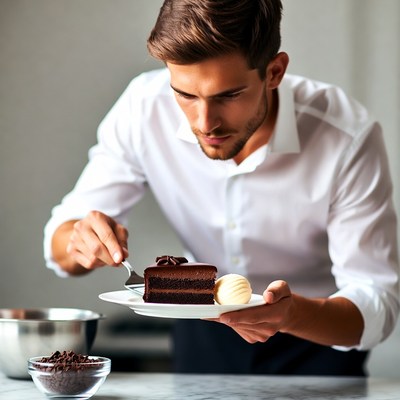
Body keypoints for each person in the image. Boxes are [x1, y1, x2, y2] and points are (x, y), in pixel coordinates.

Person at [44, 0, 399, 376]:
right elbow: (60, 240)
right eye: (185, 94)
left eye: (228, 96)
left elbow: (378, 304)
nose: (205, 123)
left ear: (274, 72)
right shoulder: (141, 110)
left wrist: (291, 313)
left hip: (317, 339)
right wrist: (81, 239)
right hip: (200, 339)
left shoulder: (345, 135)